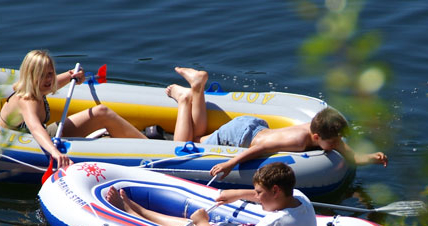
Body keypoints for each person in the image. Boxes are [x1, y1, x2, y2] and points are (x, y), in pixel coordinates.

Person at [164, 67, 388, 179]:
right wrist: (230, 163)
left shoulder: (326, 136)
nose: (338, 142)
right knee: (188, 141)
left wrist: (372, 158)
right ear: (317, 138)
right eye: (334, 140)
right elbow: (259, 149)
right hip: (242, 136)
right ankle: (184, 99)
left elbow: (351, 156)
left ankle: (197, 86)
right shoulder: (299, 141)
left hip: (255, 128)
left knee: (200, 135)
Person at [105, 162, 317, 226]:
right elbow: (264, 196)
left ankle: (132, 213)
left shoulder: (276, 222)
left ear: (276, 190)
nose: (257, 197)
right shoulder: (300, 198)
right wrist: (237, 194)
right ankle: (137, 208)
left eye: (259, 192)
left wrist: (201, 223)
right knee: (185, 222)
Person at [0, 49, 145, 167]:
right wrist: (55, 153)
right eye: (42, 75)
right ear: (31, 76)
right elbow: (36, 129)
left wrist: (74, 75)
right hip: (26, 145)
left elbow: (62, 79)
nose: (49, 79)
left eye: (50, 73)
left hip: (43, 134)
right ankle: (149, 149)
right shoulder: (26, 100)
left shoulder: (40, 86)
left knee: (101, 112)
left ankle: (148, 145)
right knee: (101, 113)